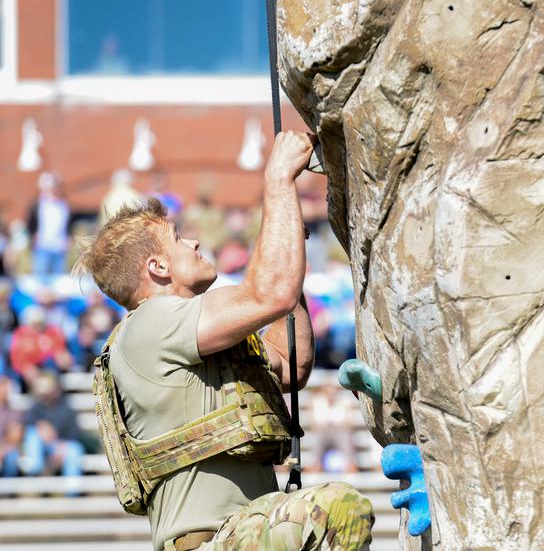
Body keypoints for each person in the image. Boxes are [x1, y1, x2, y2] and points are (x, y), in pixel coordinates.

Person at [76, 131, 373, 551]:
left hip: (245, 530)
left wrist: (287, 241)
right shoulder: (151, 322)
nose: (194, 241)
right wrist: (277, 183)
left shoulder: (192, 335)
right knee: (340, 508)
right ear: (158, 266)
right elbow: (271, 295)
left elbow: (290, 366)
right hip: (214, 540)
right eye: (179, 238)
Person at [20, 371, 85, 478]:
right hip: (42, 447)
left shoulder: (65, 407)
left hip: (61, 446)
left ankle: (72, 491)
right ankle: (35, 472)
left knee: (74, 450)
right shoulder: (36, 407)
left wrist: (61, 444)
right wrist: (41, 428)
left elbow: (74, 432)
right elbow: (27, 423)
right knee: (33, 435)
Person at [10, 305, 74, 386]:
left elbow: (59, 350)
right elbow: (16, 357)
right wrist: (25, 368)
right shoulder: (21, 335)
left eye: (40, 323)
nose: (38, 327)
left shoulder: (53, 332)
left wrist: (62, 356)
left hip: (49, 367)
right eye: (35, 324)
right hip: (28, 369)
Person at [27, 172, 71, 275]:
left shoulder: (64, 205)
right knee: (40, 277)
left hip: (60, 247)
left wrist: (69, 238)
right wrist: (33, 236)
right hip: (42, 246)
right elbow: (30, 223)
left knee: (59, 279)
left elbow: (68, 224)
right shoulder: (38, 204)